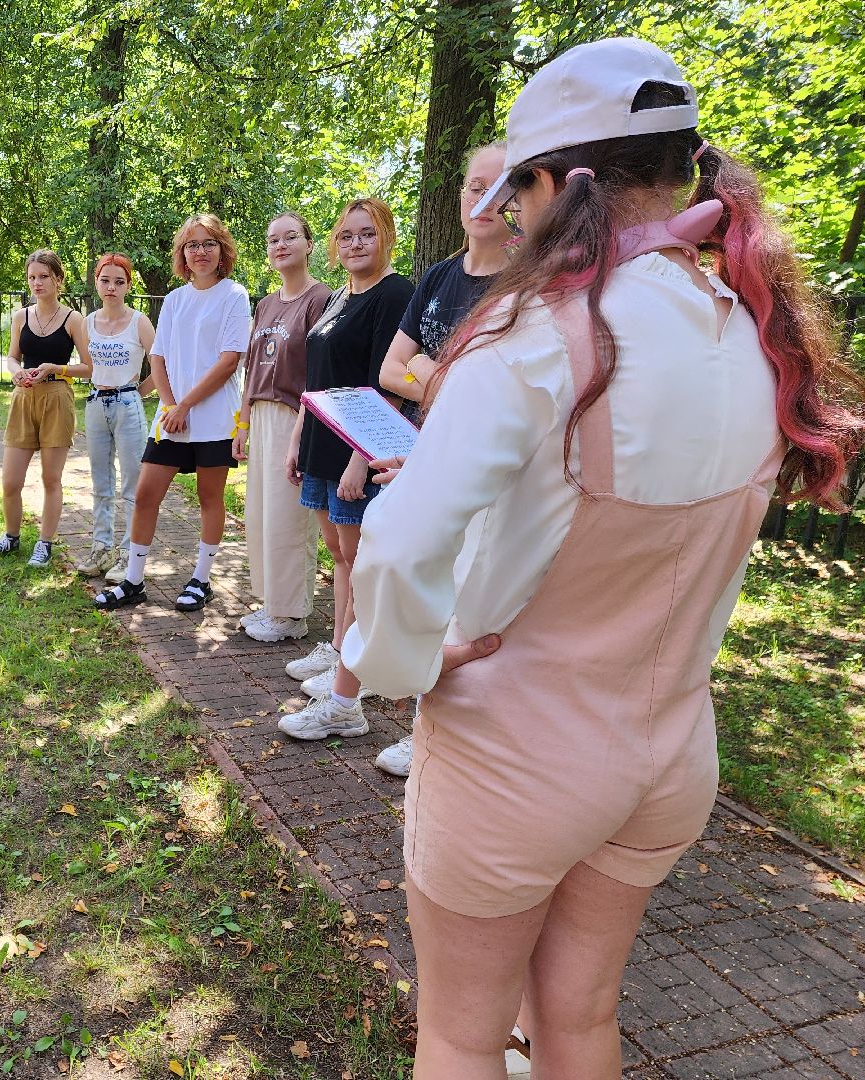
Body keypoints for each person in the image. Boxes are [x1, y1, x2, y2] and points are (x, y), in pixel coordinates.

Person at [343, 38, 864, 1079]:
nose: (509, 220)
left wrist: (397, 663)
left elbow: (398, 547)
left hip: (516, 755)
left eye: (515, 195)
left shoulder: (534, 336)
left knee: (462, 1034)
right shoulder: (751, 329)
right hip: (670, 753)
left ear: (555, 186)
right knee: (579, 1021)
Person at [370, 143, 514, 777]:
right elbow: (388, 369)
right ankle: (425, 722)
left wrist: (428, 370)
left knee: (472, 593)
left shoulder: (527, 282)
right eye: (474, 186)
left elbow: (500, 394)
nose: (485, 200)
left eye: (501, 187)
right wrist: (443, 378)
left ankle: (450, 733)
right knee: (427, 585)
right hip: (428, 450)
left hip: (488, 461)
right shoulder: (437, 276)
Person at [275, 198, 413, 738]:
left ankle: (354, 667)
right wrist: (296, 439)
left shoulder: (394, 295)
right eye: (347, 235)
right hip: (320, 443)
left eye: (367, 234)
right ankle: (339, 647)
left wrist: (360, 460)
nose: (356, 244)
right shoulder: (337, 297)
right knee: (338, 555)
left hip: (359, 451)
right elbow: (315, 380)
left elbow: (387, 384)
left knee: (358, 562)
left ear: (386, 238)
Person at [93, 213, 251, 612]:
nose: (200, 251)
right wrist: (170, 405)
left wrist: (185, 405)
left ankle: (201, 579)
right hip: (171, 418)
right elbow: (158, 357)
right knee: (146, 494)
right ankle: (133, 580)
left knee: (209, 497)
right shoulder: (176, 299)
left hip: (214, 418)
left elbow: (229, 361)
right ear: (182, 253)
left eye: (209, 243)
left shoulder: (234, 295)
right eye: (192, 245)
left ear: (222, 251)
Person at [233, 213, 332, 643]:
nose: (281, 245)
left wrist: (301, 434)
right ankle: (272, 601)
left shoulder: (321, 299)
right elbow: (253, 368)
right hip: (261, 415)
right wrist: (242, 422)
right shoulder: (266, 304)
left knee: (289, 518)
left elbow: (321, 370)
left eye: (291, 237)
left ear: (309, 243)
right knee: (261, 516)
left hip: (295, 416)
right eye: (273, 240)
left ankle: (291, 614)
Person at [0, 250, 93, 567]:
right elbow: (12, 356)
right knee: (10, 481)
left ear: (58, 279)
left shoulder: (73, 319)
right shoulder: (21, 317)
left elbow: (89, 367)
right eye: (32, 277)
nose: (37, 283)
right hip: (24, 398)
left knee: (50, 479)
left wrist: (57, 368)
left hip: (57, 398)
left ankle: (45, 543)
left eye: (44, 276)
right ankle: (10, 538)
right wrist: (16, 371)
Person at [78, 254, 156, 578]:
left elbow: (161, 366)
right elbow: (87, 367)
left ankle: (128, 554)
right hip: (96, 404)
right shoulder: (87, 323)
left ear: (128, 286)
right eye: (105, 280)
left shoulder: (139, 322)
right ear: (96, 282)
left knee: (132, 484)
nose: (111, 287)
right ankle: (101, 549)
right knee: (101, 481)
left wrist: (136, 394)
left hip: (127, 405)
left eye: (119, 281)